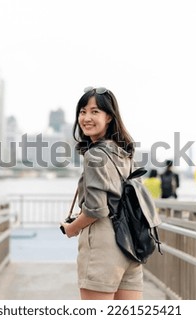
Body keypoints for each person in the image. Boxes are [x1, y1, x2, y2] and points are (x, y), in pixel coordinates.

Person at [61, 86, 143, 300]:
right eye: (82, 111)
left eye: (95, 111)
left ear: (109, 117)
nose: (86, 118)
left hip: (103, 250)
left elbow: (95, 210)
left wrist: (71, 228)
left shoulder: (95, 155)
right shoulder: (124, 152)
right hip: (130, 247)